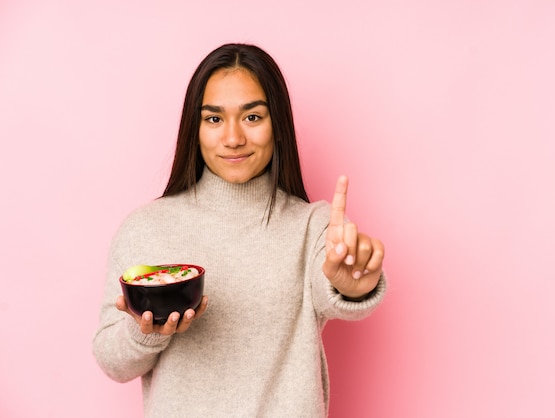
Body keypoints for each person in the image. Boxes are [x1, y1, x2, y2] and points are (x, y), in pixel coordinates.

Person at [92, 43, 386, 418]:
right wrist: (144, 332)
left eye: (252, 117)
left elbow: (335, 285)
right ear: (194, 130)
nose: (233, 138)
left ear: (277, 125)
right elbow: (111, 361)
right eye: (214, 119)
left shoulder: (313, 227)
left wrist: (353, 283)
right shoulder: (146, 228)